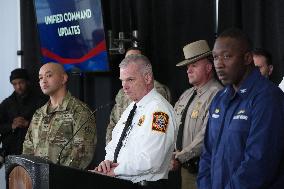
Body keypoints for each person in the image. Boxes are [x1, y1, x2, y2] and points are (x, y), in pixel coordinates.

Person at [197, 28, 284, 189]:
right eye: (215, 57)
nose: (219, 64)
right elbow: (207, 154)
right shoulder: (219, 99)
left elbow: (259, 164)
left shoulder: (268, 98)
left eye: (227, 56)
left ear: (247, 58)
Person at [91, 54, 177, 189]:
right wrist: (107, 162)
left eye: (130, 80)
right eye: (122, 80)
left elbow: (152, 160)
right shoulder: (131, 108)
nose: (124, 87)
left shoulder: (159, 111)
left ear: (147, 78)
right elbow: (115, 143)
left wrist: (115, 170)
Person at [23, 62, 97, 169]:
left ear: (63, 78)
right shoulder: (39, 114)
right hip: (37, 180)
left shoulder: (79, 111)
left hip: (63, 180)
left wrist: (57, 176)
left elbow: (82, 152)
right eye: (40, 78)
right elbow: (28, 148)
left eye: (49, 75)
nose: (43, 81)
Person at [169, 40, 222, 189]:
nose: (188, 70)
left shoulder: (217, 94)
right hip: (182, 169)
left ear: (208, 67)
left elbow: (207, 135)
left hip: (204, 171)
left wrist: (179, 157)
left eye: (194, 65)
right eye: (187, 67)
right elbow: (171, 124)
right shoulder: (186, 95)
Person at [105, 47, 171, 144]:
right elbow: (113, 123)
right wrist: (111, 153)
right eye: (127, 60)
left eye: (134, 59)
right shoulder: (121, 93)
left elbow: (155, 137)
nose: (129, 62)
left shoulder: (156, 91)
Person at [0, 68, 47, 158]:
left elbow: (49, 125)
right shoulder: (6, 104)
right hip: (11, 152)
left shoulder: (40, 101)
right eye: (15, 84)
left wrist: (27, 124)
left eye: (21, 82)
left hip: (35, 152)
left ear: (27, 82)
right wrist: (11, 126)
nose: (18, 86)